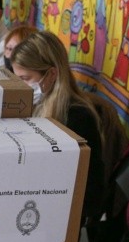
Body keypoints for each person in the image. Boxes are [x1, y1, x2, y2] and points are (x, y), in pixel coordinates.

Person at [9, 30, 106, 228]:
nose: (20, 86)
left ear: (51, 74)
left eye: (25, 78)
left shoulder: (76, 118)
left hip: (60, 219)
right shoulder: (39, 104)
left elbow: (90, 194)